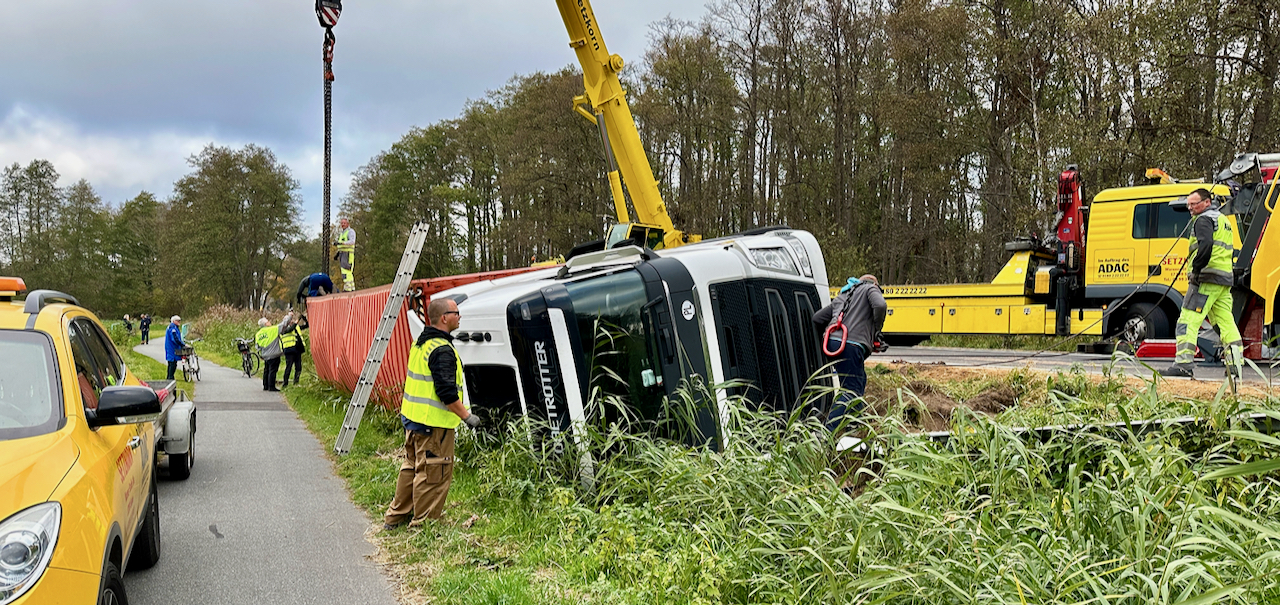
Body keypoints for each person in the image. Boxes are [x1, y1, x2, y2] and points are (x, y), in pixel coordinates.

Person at [384, 298, 482, 528]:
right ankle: (424, 524)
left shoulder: (421, 343)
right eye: (456, 313)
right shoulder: (442, 350)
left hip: (413, 420)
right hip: (433, 426)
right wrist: (467, 416)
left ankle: (396, 517)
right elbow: (447, 393)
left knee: (411, 467)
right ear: (444, 318)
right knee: (433, 473)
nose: (459, 317)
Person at [1161, 188, 1244, 380]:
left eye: (1194, 203)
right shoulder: (1223, 221)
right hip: (1223, 280)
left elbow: (1205, 246)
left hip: (1206, 278)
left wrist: (1197, 269)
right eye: (1188, 204)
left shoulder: (1203, 220)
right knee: (1226, 323)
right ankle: (1235, 366)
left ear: (1207, 202)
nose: (1190, 208)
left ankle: (1183, 364)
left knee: (1187, 321)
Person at [812, 275, 887, 431]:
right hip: (851, 345)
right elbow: (880, 305)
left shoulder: (843, 296)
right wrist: (876, 330)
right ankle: (827, 433)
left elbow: (818, 318)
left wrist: (826, 338)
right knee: (850, 390)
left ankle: (855, 424)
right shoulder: (870, 288)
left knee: (857, 382)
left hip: (832, 344)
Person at [255, 313, 294, 392]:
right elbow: (284, 324)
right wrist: (289, 316)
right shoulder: (273, 329)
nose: (270, 322)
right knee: (273, 370)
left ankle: (265, 385)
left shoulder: (258, 334)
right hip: (274, 354)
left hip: (265, 354)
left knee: (267, 370)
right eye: (268, 321)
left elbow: (257, 346)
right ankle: (271, 386)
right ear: (266, 324)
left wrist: (261, 354)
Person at [280, 314, 309, 388]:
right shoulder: (283, 329)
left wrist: (304, 319)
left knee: (298, 367)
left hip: (297, 349)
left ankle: (296, 382)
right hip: (289, 350)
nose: (291, 321)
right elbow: (290, 329)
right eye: (290, 320)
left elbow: (307, 326)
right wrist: (297, 321)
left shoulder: (296, 327)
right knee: (288, 367)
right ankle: (285, 383)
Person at [334, 218, 356, 292]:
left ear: (348, 224)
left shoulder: (350, 232)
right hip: (342, 254)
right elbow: (341, 246)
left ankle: (348, 288)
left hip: (348, 254)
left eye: (344, 223)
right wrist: (337, 254)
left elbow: (352, 241)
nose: (343, 224)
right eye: (342, 223)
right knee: (345, 271)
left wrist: (342, 243)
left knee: (346, 271)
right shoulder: (342, 233)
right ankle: (351, 287)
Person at [164, 316, 186, 380]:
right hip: (172, 348)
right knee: (172, 363)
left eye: (179, 320)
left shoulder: (174, 327)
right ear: (173, 321)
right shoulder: (172, 328)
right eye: (177, 320)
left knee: (172, 363)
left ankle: (170, 377)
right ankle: (170, 378)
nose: (179, 322)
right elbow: (175, 339)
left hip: (172, 348)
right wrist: (182, 344)